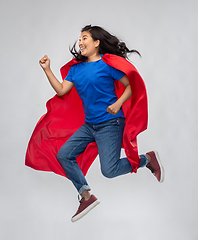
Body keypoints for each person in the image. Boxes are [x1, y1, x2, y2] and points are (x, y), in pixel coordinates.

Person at [27, 25, 164, 223]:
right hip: (90, 125)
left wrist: (118, 104)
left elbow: (130, 86)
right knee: (64, 154)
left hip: (111, 123)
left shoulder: (107, 66)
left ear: (97, 42)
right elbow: (62, 91)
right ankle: (86, 196)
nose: (80, 42)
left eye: (85, 38)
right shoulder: (75, 69)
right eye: (80, 39)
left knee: (109, 170)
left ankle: (147, 160)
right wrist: (47, 69)